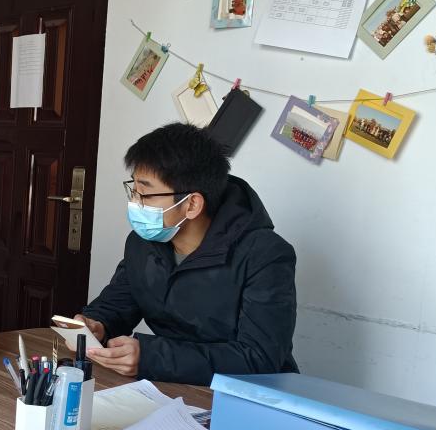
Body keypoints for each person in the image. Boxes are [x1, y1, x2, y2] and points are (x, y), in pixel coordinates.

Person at [75, 123, 297, 386]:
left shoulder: (265, 255)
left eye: (145, 194)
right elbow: (119, 303)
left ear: (191, 204)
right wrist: (97, 324)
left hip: (247, 394)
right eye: (133, 190)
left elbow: (259, 358)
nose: (135, 202)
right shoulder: (143, 242)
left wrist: (152, 357)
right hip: (171, 386)